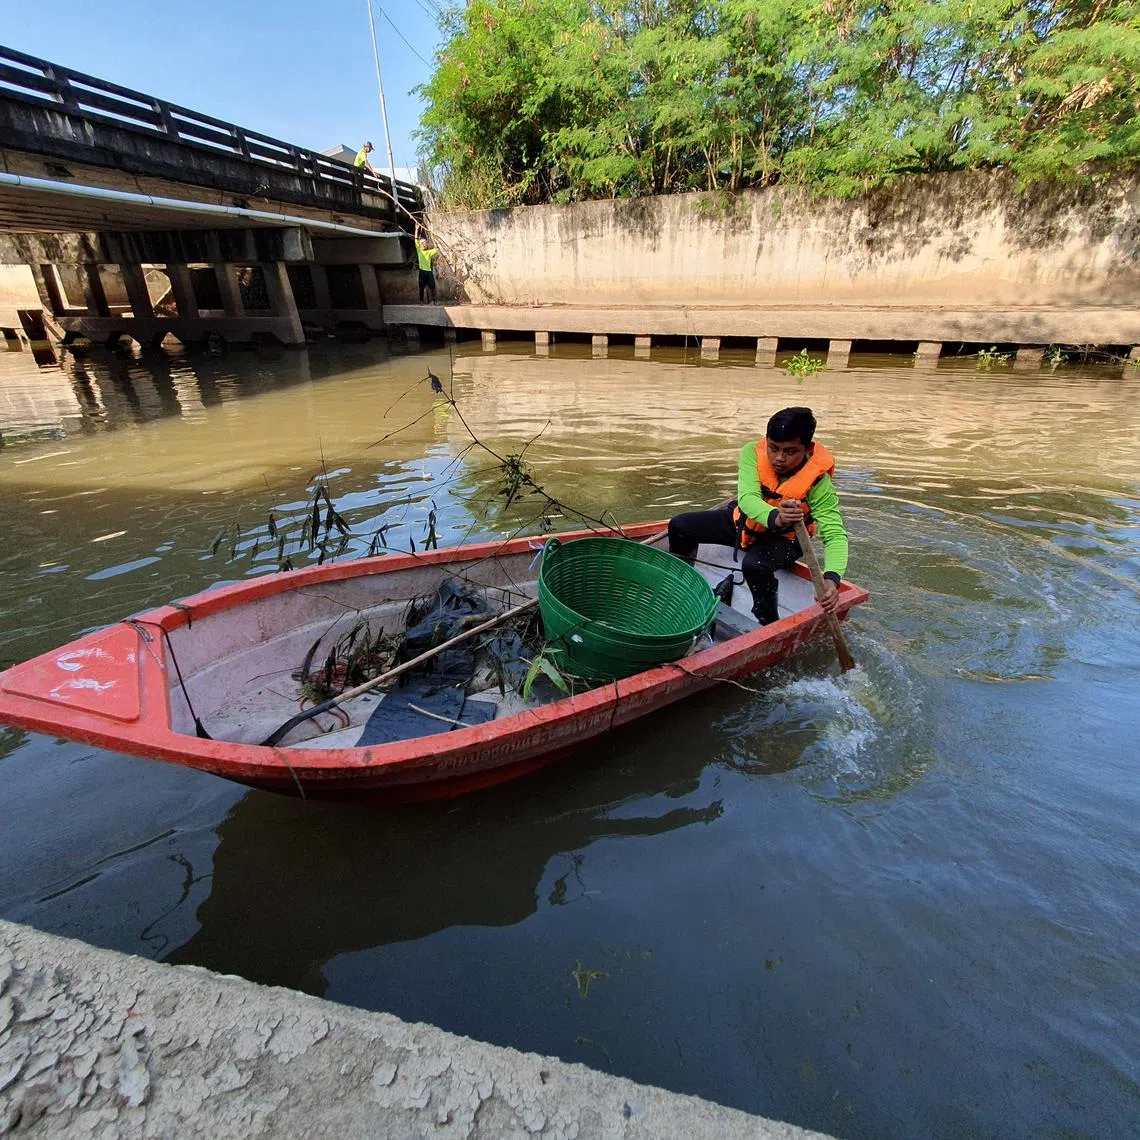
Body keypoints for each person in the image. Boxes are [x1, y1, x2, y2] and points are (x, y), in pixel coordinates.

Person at [667, 407, 848, 625]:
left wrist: (832, 579)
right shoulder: (751, 453)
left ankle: (768, 621)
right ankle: (681, 588)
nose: (779, 458)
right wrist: (776, 516)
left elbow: (835, 534)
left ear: (807, 449)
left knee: (755, 566)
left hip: (786, 539)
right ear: (766, 441)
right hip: (745, 523)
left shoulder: (819, 483)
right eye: (774, 448)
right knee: (680, 526)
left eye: (790, 451)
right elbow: (748, 499)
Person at [415, 228, 441, 304]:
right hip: (422, 271)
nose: (424, 244)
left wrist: (433, 237)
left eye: (425, 243)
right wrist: (416, 229)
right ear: (420, 245)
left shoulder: (429, 252)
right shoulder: (419, 250)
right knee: (421, 287)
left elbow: (437, 249)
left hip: (429, 272)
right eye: (422, 243)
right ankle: (421, 301)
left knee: (432, 287)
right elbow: (416, 239)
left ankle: (435, 301)